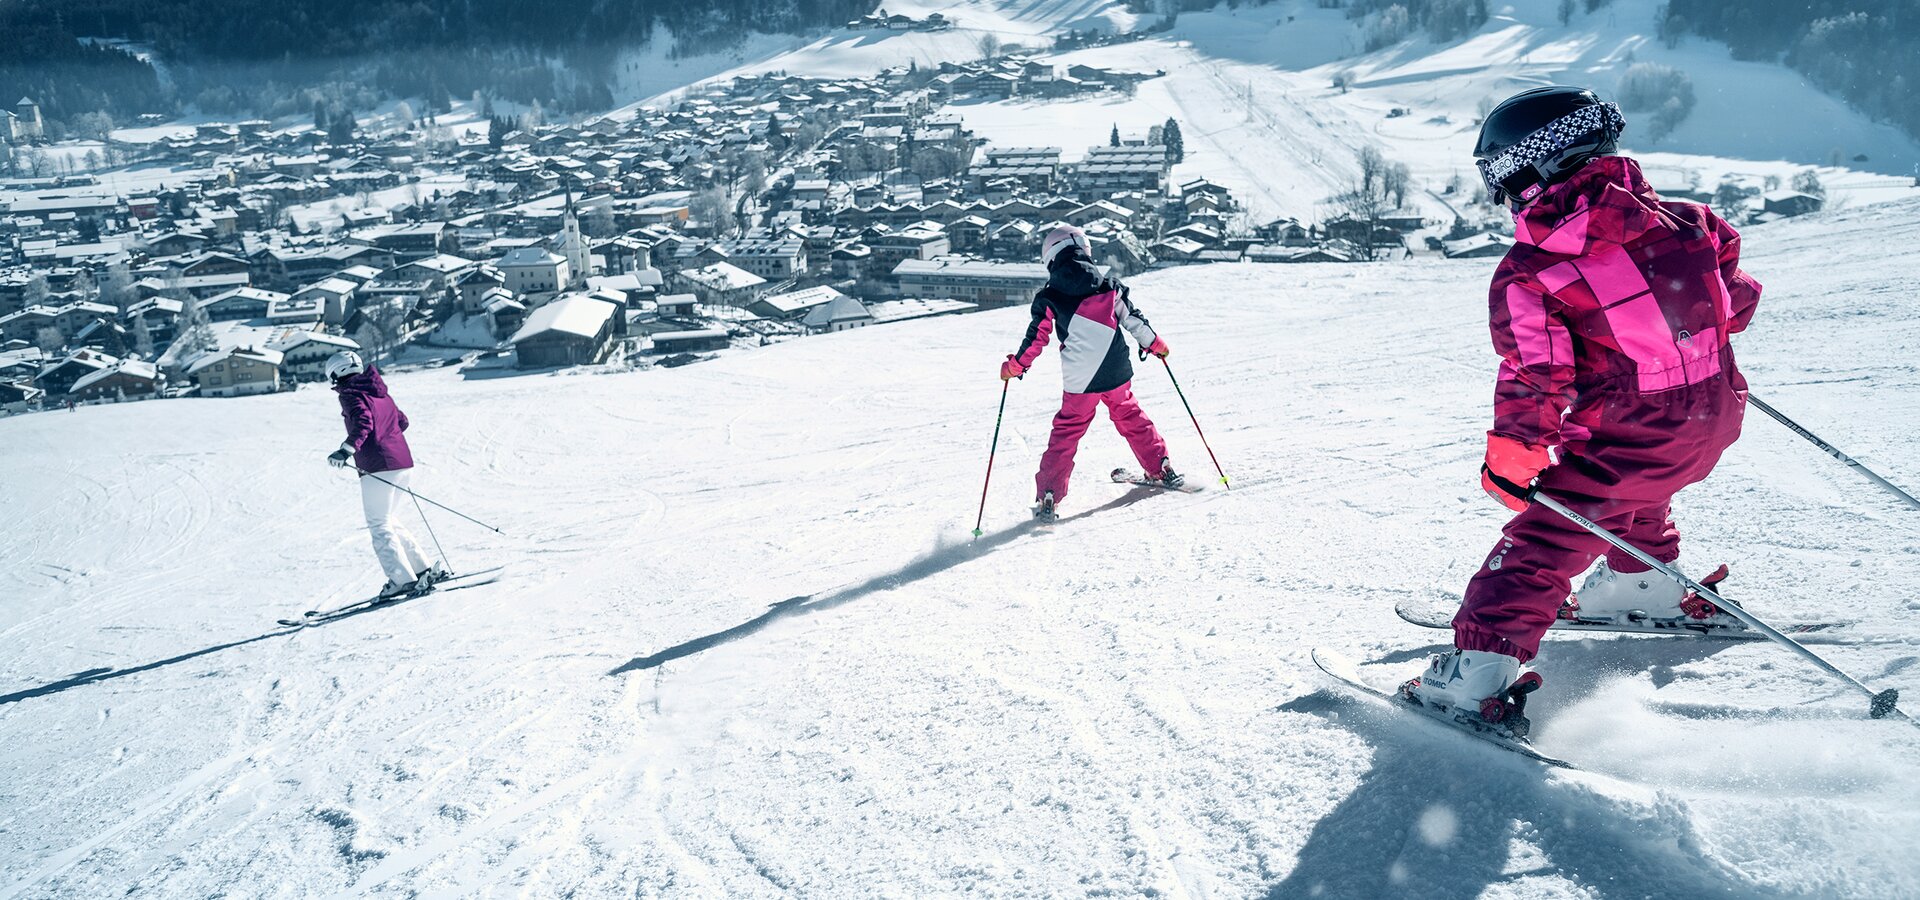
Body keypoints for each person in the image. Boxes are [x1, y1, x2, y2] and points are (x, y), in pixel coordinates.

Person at [1404, 87, 1761, 729]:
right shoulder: (1692, 220)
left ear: (1541, 166)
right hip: (1714, 415)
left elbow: (1535, 371)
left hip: (1638, 427)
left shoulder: (1534, 271)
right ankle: (1640, 584)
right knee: (1630, 488)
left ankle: (1477, 670)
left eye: (1506, 177)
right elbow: (1733, 300)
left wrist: (1514, 456)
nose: (1505, 195)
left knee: (1547, 535)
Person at [1001, 225, 1180, 521]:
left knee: (1068, 430)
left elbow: (1036, 339)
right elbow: (1133, 320)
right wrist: (1155, 344)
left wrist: (1015, 367)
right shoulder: (1109, 286)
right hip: (1115, 370)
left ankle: (1049, 495)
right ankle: (1161, 467)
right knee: (1129, 414)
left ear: (1051, 258)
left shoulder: (1050, 295)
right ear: (1084, 250)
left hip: (1080, 381)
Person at [324, 350, 446, 598]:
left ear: (336, 373)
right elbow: (402, 422)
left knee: (379, 524)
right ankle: (421, 570)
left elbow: (363, 422)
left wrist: (345, 451)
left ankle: (401, 579)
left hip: (378, 465)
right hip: (403, 463)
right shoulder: (380, 392)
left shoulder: (350, 394)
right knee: (389, 520)